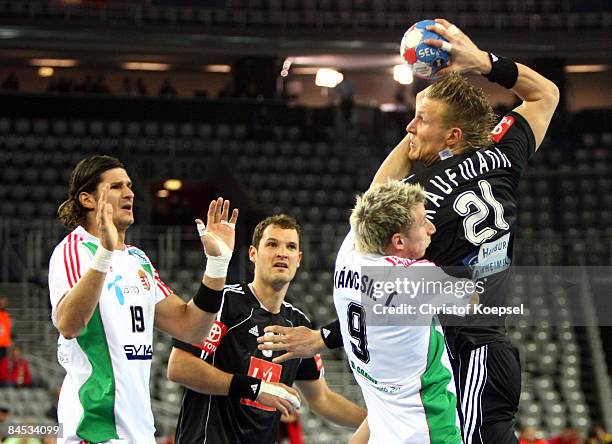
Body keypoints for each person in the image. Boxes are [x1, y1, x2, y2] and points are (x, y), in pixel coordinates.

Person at [259, 18, 559, 444]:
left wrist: (324, 337)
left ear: (452, 135)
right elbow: (546, 93)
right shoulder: (503, 153)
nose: (408, 128)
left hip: (465, 353)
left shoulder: (420, 206)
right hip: (486, 349)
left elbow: (373, 207)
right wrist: (482, 63)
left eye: (419, 120)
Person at [48, 155, 238, 443]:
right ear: (87, 200)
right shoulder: (75, 250)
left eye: (130, 185)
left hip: (138, 431)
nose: (129, 193)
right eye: (115, 187)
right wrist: (104, 253)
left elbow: (192, 329)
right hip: (94, 429)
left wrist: (217, 265)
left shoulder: (138, 260)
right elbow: (69, 324)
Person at [167, 215, 366, 444]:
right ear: (253, 254)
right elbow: (179, 366)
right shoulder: (225, 303)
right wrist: (253, 387)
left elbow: (321, 398)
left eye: (291, 247)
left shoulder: (298, 324)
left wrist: (378, 420)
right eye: (272, 244)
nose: (282, 253)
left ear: (299, 259)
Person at [333, 180, 470, 443]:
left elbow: (374, 191)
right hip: (431, 429)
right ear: (398, 240)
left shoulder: (347, 259)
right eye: (422, 222)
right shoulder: (415, 278)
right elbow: (473, 300)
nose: (432, 227)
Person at [0, 295, 12, 361]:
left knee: (4, 365)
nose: (2, 304)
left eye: (4, 303)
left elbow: (7, 329)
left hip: (5, 345)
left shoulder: (7, 315)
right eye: (1, 302)